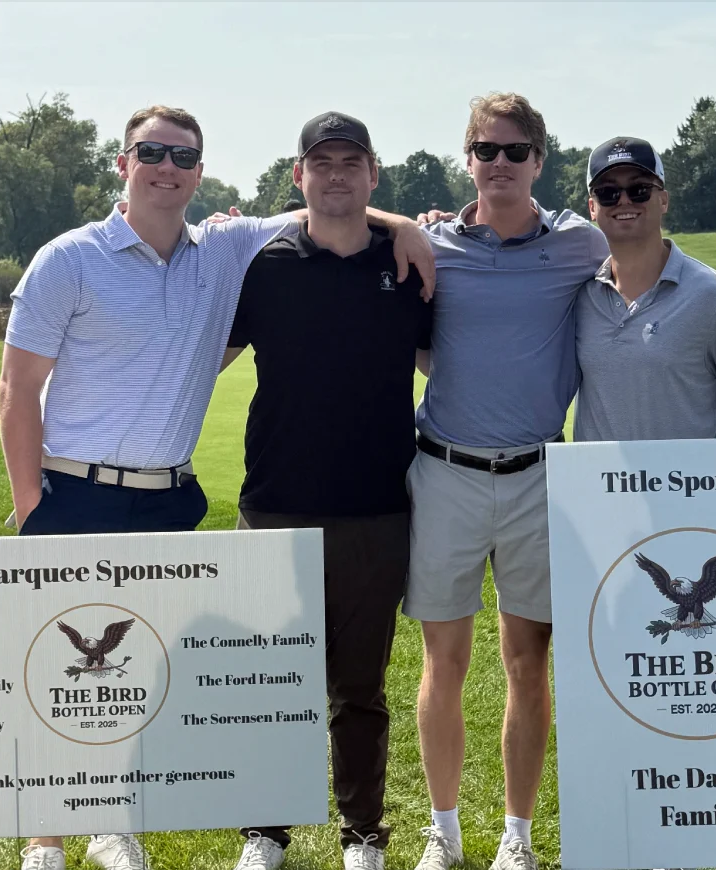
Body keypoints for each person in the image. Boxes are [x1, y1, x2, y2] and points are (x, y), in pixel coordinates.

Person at [0, 105, 434, 870]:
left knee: (142, 669)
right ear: (124, 163)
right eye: (152, 153)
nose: (167, 168)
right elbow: (19, 384)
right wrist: (31, 500)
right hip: (148, 492)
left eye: (183, 157)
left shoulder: (265, 252)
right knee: (81, 663)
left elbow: (340, 219)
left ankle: (129, 821)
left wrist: (409, 227)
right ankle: (64, 836)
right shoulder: (106, 257)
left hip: (245, 499)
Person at [403, 94, 716, 870]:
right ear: (468, 157)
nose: (501, 163)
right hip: (446, 471)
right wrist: (395, 222)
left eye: (517, 151)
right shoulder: (431, 243)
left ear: (539, 162)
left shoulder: (575, 248)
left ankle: (517, 836)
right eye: (487, 150)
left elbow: (679, 282)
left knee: (530, 663)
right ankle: (442, 833)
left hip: (548, 481)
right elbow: (345, 228)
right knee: (442, 661)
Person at [219, 111, 432, 870]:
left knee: (359, 689)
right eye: (322, 163)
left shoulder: (409, 262)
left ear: (373, 174)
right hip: (275, 500)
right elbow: (209, 357)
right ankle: (266, 831)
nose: (336, 175)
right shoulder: (262, 263)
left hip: (377, 508)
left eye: (351, 163)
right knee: (270, 677)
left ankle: (364, 835)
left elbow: (441, 364)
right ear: (300, 174)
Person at [574, 136, 716, 443]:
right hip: (597, 489)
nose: (624, 201)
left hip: (687, 490)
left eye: (640, 189)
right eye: (608, 193)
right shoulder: (579, 295)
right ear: (592, 207)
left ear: (664, 199)